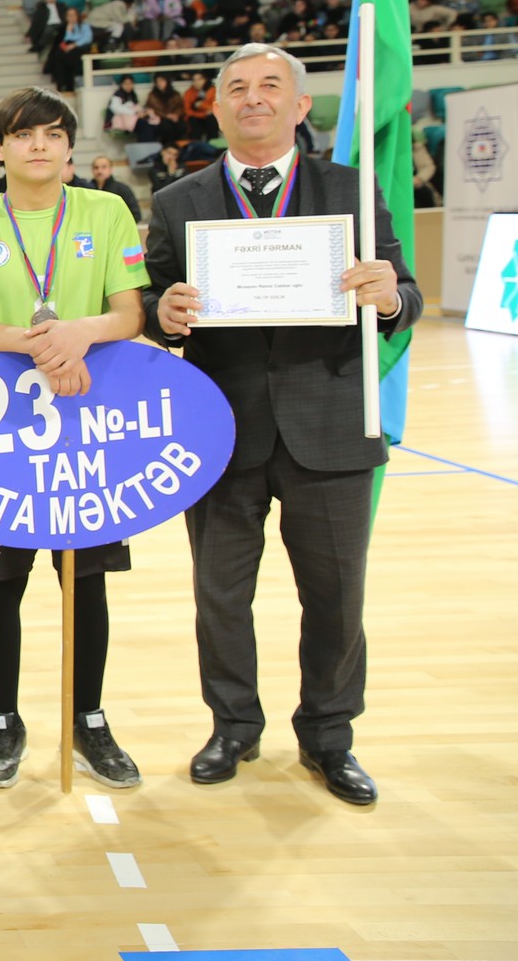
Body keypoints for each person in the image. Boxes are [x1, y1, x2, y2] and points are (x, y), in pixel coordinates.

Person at [141, 43, 420, 806]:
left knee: (335, 596)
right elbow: (154, 301)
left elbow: (408, 295)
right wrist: (159, 314)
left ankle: (329, 735)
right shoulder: (177, 201)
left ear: (301, 106)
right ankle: (233, 724)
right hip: (219, 430)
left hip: (330, 426)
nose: (253, 97)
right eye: (237, 87)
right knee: (220, 595)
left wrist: (387, 293)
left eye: (271, 85)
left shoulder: (351, 190)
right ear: (217, 106)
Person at [0, 88, 148, 791]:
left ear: (68, 146)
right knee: (1, 579)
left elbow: (130, 312)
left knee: (83, 579)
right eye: (23, 134)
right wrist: (39, 344)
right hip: (3, 433)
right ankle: (4, 719)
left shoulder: (107, 210)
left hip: (87, 423)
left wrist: (78, 333)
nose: (39, 145)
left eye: (53, 134)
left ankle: (88, 718)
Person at [86, 154, 143, 224]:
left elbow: (135, 215)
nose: (99, 171)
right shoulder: (87, 189)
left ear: (110, 169)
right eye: (96, 168)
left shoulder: (123, 189)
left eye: (104, 167)